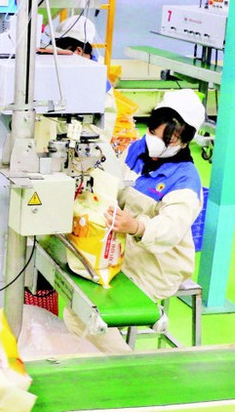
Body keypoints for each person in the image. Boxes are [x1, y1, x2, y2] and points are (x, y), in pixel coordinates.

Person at [63, 89, 205, 353]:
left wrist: (137, 226)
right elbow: (116, 185)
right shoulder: (138, 149)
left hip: (158, 265)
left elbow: (170, 230)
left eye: (168, 138)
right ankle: (89, 365)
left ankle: (124, 368)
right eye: (153, 131)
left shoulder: (185, 181)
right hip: (122, 250)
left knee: (95, 312)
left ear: (184, 141)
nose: (155, 140)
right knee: (75, 307)